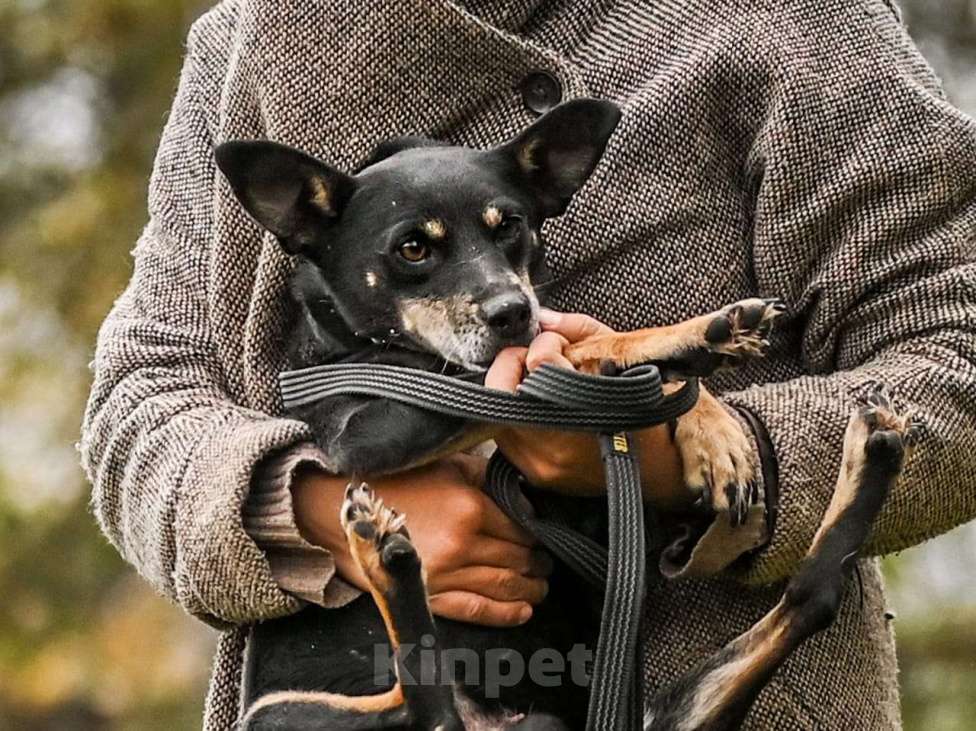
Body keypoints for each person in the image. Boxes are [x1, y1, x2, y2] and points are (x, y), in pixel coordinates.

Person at [79, 1, 976, 728]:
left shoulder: (792, 20)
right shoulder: (253, 41)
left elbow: (955, 354)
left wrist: (689, 455)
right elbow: (141, 399)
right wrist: (323, 511)